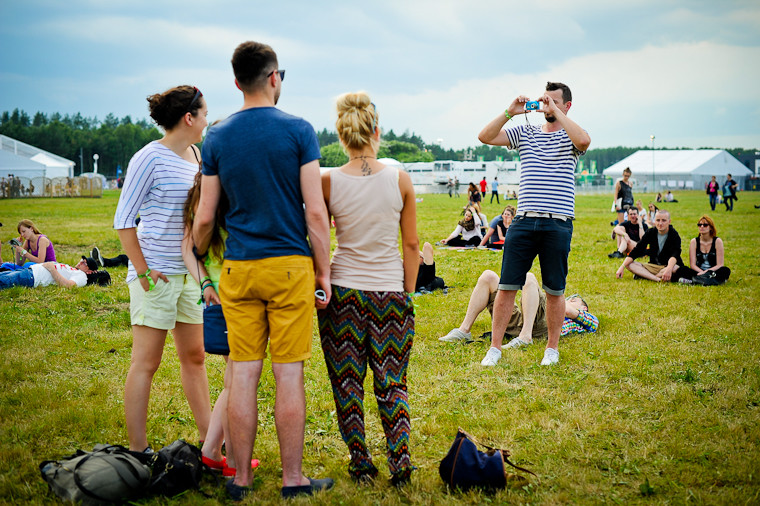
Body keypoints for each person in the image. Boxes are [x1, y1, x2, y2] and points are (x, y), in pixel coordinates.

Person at [192, 41, 333, 501]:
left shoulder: (216, 136)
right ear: (274, 78)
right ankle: (293, 480)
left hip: (239, 270)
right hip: (290, 267)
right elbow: (316, 212)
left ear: (237, 82)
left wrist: (196, 252)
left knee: (244, 373)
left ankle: (241, 478)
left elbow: (207, 216)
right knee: (288, 374)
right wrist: (324, 272)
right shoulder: (299, 130)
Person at [317, 92, 417, 486]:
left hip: (342, 294)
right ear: (378, 131)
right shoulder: (400, 179)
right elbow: (411, 245)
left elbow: (321, 240)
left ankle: (361, 464)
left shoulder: (328, 181)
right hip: (390, 292)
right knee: (392, 382)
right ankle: (401, 463)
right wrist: (406, 292)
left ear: (341, 136)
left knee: (347, 383)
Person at [113, 84, 211, 455]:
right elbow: (123, 221)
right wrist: (142, 271)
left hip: (189, 274)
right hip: (155, 276)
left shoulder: (196, 155)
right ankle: (138, 451)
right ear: (189, 117)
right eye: (203, 114)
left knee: (196, 357)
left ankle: (209, 442)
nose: (206, 121)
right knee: (147, 362)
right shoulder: (148, 158)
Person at [477, 81, 590, 367]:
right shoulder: (526, 132)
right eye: (544, 100)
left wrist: (557, 114)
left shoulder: (569, 135)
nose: (546, 106)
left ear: (567, 105)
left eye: (553, 101)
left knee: (554, 290)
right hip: (525, 221)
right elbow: (485, 137)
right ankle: (495, 348)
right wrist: (510, 111)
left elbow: (585, 141)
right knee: (507, 286)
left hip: (558, 223)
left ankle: (551, 349)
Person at [439, 271, 598, 346]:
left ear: (583, 308)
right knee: (488, 277)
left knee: (529, 276)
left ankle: (526, 337)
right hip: (522, 321)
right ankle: (464, 330)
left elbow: (587, 321)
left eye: (574, 299)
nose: (569, 299)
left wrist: (566, 304)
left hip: (544, 326)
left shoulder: (582, 319)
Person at [615, 209, 683, 282]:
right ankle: (656, 279)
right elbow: (637, 250)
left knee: (676, 268)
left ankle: (645, 275)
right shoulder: (651, 232)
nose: (660, 223)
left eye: (663, 220)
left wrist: (669, 269)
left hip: (668, 266)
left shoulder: (674, 234)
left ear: (669, 222)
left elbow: (675, 254)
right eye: (658, 220)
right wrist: (622, 267)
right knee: (628, 264)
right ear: (654, 221)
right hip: (653, 266)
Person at [673, 215, 731, 285]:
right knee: (681, 270)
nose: (702, 227)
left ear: (711, 228)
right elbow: (693, 265)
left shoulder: (717, 241)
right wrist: (701, 273)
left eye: (705, 225)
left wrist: (706, 272)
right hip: (698, 272)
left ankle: (695, 281)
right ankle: (709, 281)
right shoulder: (694, 242)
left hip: (712, 272)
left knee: (725, 270)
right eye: (699, 225)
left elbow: (719, 265)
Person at [0, 257, 110, 290]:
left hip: (33, 277)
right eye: (82, 259)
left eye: (84, 263)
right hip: (30, 271)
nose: (81, 262)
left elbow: (68, 285)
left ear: (89, 271)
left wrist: (52, 269)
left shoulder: (82, 276)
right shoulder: (75, 270)